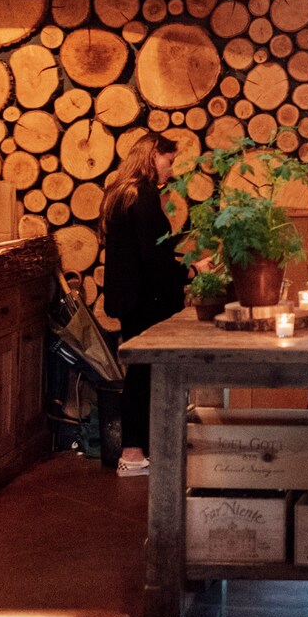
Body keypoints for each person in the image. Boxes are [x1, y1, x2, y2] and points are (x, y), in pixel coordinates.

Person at [99, 132, 186, 475]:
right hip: (146, 299)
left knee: (141, 371)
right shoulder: (145, 195)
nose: (170, 169)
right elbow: (153, 256)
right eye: (168, 161)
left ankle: (138, 449)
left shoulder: (120, 194)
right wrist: (190, 269)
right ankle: (133, 453)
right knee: (143, 373)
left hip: (130, 299)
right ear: (152, 156)